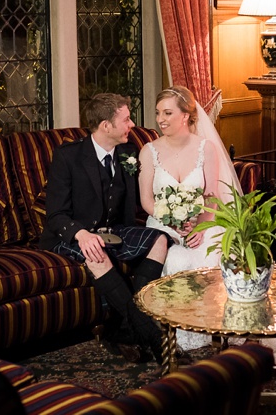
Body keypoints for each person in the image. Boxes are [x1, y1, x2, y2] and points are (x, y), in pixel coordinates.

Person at [41, 93, 168, 362]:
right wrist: (82, 234)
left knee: (160, 239)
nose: (132, 124)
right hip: (76, 235)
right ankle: (152, 336)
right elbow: (55, 215)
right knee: (95, 252)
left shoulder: (128, 153)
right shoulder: (68, 157)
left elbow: (148, 192)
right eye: (126, 119)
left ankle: (123, 329)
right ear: (105, 125)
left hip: (115, 229)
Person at [138, 85, 243, 350]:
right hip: (163, 225)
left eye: (168, 112)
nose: (160, 119)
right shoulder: (148, 151)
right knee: (175, 258)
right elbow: (147, 202)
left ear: (185, 115)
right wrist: (171, 221)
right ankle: (177, 334)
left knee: (210, 251)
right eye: (158, 113)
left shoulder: (205, 149)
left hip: (203, 221)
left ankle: (212, 328)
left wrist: (200, 225)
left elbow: (211, 196)